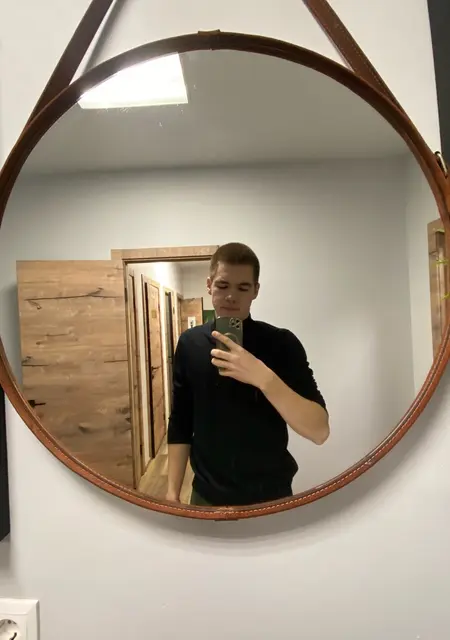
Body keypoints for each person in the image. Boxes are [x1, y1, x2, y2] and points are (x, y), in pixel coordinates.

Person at [166, 242, 329, 507]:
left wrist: (263, 377)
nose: (231, 296)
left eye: (243, 288)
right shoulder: (190, 344)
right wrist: (172, 493)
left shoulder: (281, 344)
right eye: (223, 285)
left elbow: (319, 431)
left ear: (255, 290)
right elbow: (181, 422)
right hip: (206, 497)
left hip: (271, 498)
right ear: (209, 285)